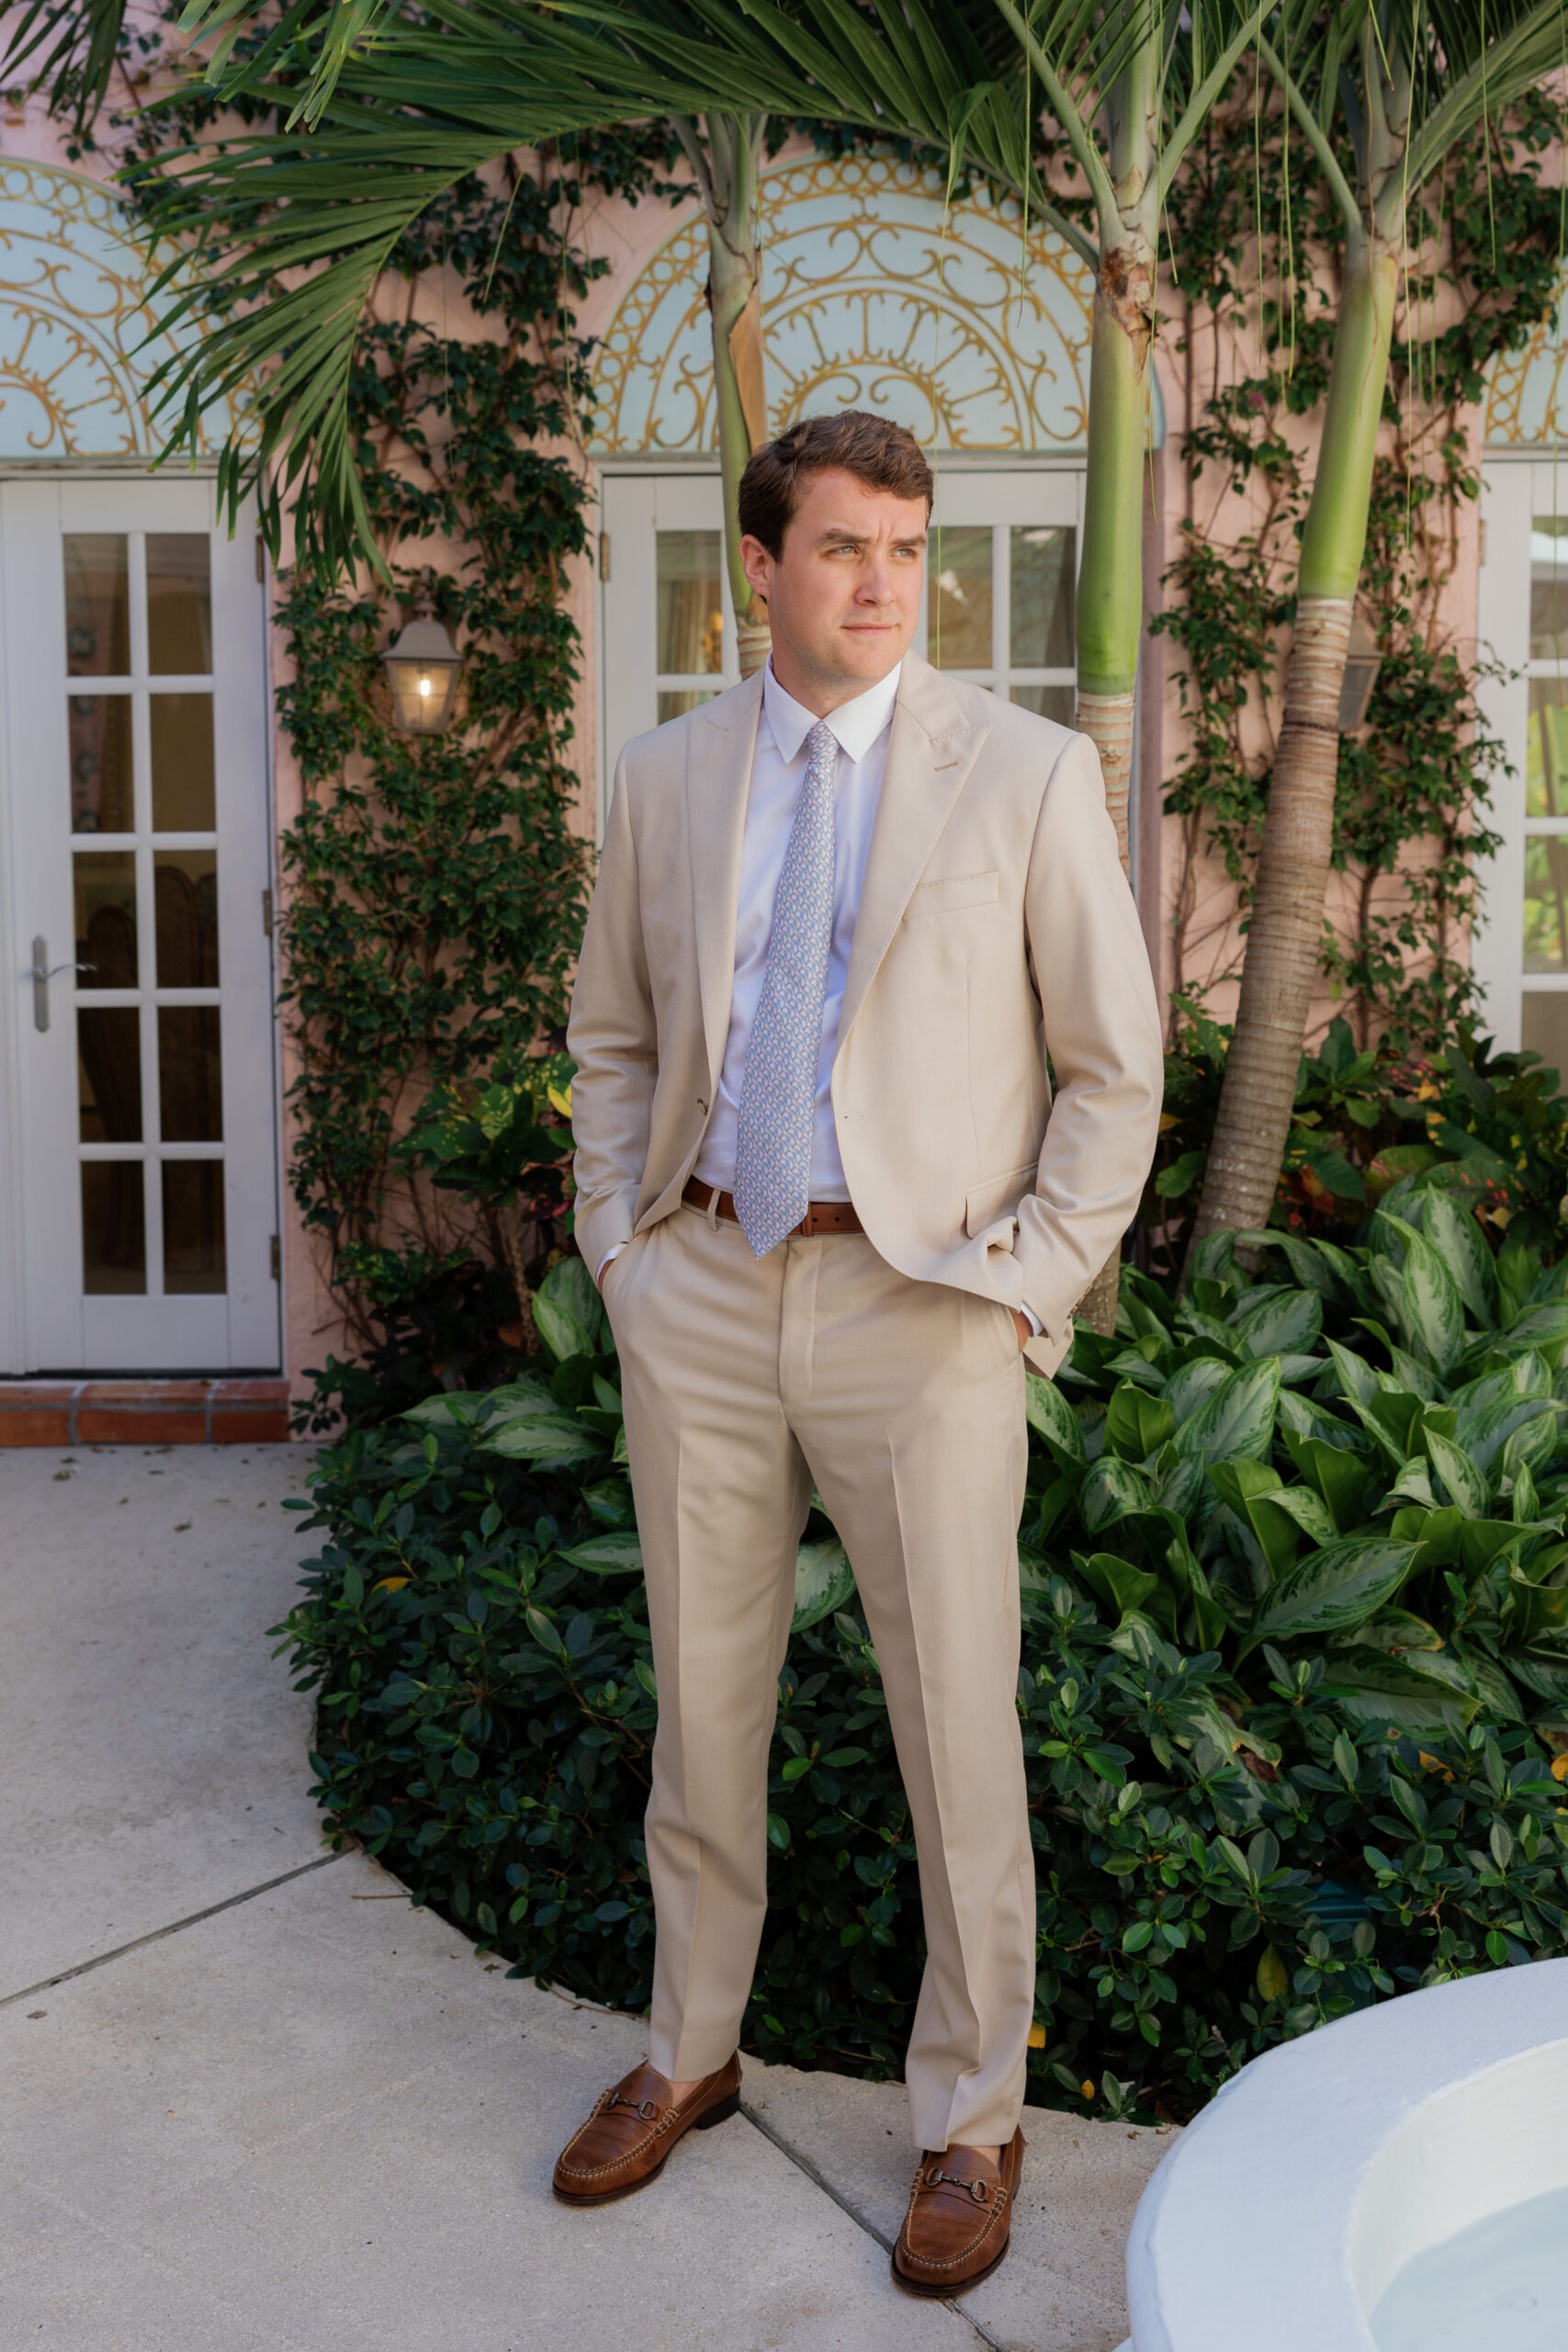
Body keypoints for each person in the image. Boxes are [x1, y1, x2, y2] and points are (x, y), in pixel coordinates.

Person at [554, 410, 1163, 2295]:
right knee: (700, 1698)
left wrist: (1019, 1285)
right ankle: (689, 2044)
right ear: (761, 564)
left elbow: (1109, 1068)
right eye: (841, 547)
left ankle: (970, 2114)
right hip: (711, 1290)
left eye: (905, 549)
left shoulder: (1029, 773)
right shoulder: (659, 777)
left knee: (952, 1727)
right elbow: (611, 1040)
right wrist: (621, 1250)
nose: (881, 584)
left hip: (926, 1307)